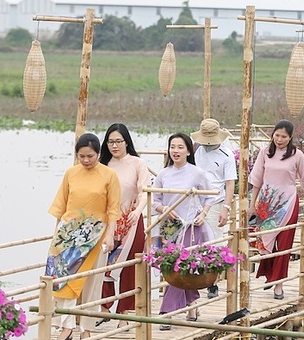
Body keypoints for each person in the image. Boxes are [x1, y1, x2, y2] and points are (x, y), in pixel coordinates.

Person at [46, 133, 121, 340]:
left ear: (98, 153)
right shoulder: (71, 173)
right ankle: (65, 327)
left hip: (95, 234)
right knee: (61, 278)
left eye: (90, 156)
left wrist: (110, 235)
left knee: (91, 282)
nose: (86, 160)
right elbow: (61, 205)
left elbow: (113, 210)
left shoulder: (109, 175)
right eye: (82, 156)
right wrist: (56, 234)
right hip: (68, 233)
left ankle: (86, 328)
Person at [151, 132, 214, 329]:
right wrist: (164, 209)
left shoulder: (197, 173)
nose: (175, 151)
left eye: (180, 147)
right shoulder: (163, 174)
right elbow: (154, 200)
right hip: (170, 227)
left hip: (190, 227)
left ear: (188, 151)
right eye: (172, 147)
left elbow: (210, 196)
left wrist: (203, 214)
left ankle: (166, 313)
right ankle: (192, 306)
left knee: (178, 266)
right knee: (173, 268)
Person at [248, 120, 304, 300]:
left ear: (290, 137)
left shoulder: (297, 155)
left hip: (288, 203)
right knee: (264, 242)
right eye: (277, 135)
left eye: (284, 136)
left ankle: (279, 284)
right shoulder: (265, 152)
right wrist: (252, 205)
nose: (279, 139)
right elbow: (256, 180)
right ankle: (270, 274)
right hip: (266, 203)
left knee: (284, 244)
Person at [98, 123, 151, 323]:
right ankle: (104, 307)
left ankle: (124, 313)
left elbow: (145, 191)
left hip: (131, 220)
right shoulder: (102, 165)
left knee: (129, 267)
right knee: (104, 264)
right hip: (108, 222)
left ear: (126, 142)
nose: (114, 146)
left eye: (118, 141)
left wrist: (137, 211)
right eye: (110, 142)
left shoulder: (137, 164)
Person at [191, 118, 236, 299]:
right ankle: (193, 279)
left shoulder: (227, 155)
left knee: (214, 242)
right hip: (196, 201)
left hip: (216, 202)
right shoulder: (196, 150)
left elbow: (230, 183)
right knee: (195, 239)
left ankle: (212, 283)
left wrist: (226, 207)